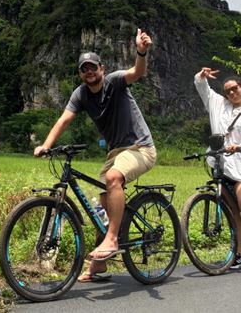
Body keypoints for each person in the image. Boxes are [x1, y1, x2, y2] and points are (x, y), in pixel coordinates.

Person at [34, 29, 156, 283]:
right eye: (84, 69)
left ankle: (112, 239)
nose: (89, 72)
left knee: (112, 178)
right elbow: (64, 120)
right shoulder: (80, 94)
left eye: (93, 67)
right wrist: (46, 145)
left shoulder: (114, 81)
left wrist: (141, 51)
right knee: (101, 205)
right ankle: (99, 264)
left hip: (140, 147)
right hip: (115, 152)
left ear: (102, 68)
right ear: (80, 74)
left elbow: (137, 72)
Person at [194, 68, 241, 277]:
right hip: (222, 165)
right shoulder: (219, 105)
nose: (232, 93)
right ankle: (240, 254)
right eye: (227, 91)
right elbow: (203, 89)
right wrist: (202, 76)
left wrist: (240, 146)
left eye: (234, 88)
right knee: (233, 210)